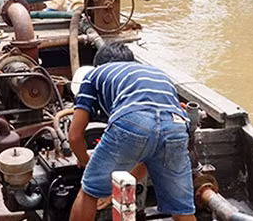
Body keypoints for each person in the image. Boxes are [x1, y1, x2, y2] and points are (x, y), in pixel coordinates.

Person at [68, 42, 195, 221]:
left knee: (89, 191)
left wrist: (86, 163)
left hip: (132, 119)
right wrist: (113, 189)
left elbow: (74, 135)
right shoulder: (158, 74)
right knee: (183, 210)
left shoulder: (93, 74)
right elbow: (148, 153)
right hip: (176, 126)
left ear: (98, 64)